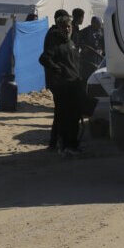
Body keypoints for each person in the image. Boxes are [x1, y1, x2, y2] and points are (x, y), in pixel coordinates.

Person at [40, 14, 84, 157]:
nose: (67, 29)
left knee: (74, 117)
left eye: (69, 26)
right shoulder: (55, 42)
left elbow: (75, 63)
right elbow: (44, 58)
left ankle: (72, 145)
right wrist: (58, 70)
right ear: (59, 28)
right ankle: (64, 146)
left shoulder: (70, 43)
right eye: (64, 27)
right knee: (64, 117)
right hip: (62, 87)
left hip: (74, 84)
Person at [43, 9, 71, 150]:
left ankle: (55, 142)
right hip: (57, 81)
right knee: (60, 111)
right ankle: (55, 142)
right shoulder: (54, 35)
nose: (67, 28)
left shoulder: (55, 34)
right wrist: (58, 70)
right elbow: (47, 58)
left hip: (58, 80)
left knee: (60, 111)